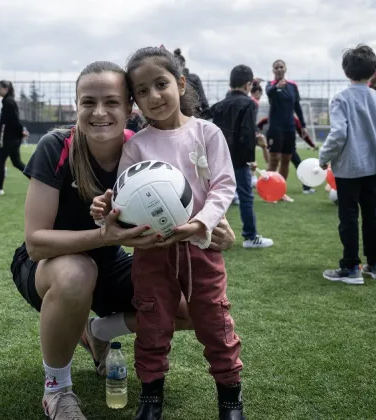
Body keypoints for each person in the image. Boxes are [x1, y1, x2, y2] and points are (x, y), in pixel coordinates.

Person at [10, 61, 236, 420]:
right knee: (77, 273)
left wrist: (216, 227)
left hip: (108, 263)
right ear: (76, 105)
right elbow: (36, 242)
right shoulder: (57, 146)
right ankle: (57, 389)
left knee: (191, 308)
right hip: (48, 266)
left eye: (112, 102)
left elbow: (184, 194)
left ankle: (99, 331)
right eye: (88, 102)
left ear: (130, 107)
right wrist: (104, 235)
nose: (100, 112)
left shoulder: (141, 148)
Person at [92, 47, 245, 420]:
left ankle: (230, 400)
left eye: (161, 84)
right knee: (153, 324)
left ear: (181, 83)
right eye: (142, 91)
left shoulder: (207, 133)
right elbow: (124, 198)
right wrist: (107, 211)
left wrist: (202, 223)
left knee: (215, 322)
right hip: (152, 253)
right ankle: (151, 399)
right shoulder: (136, 145)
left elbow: (224, 186)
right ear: (134, 101)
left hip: (201, 250)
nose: (154, 96)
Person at [319, 44, 376, 285]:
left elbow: (339, 133)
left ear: (346, 71)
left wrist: (324, 156)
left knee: (349, 216)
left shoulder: (341, 99)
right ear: (374, 72)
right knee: (372, 214)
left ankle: (351, 267)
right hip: (374, 166)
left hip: (349, 167)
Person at [212, 65, 274, 249]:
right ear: (248, 85)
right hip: (239, 159)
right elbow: (246, 133)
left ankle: (210, 236)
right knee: (246, 197)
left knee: (216, 198)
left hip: (219, 158)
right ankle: (250, 237)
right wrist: (250, 158)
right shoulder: (248, 103)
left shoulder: (221, 104)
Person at [266, 59, 307, 202]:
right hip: (275, 128)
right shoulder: (270, 85)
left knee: (286, 159)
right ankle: (268, 192)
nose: (279, 69)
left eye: (281, 67)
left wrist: (303, 125)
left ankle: (280, 192)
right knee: (274, 160)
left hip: (289, 128)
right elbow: (269, 93)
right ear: (273, 70)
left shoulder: (292, 86)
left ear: (285, 69)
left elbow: (297, 106)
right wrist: (277, 87)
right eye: (276, 67)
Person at [0, 81, 28, 196]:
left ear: (6, 89)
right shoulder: (8, 101)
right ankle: (38, 179)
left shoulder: (8, 102)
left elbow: (14, 120)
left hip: (9, 138)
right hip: (12, 137)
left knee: (0, 161)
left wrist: (20, 132)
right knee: (16, 162)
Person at [258, 115, 318, 193]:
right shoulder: (293, 119)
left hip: (277, 146)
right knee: (298, 165)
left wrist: (258, 130)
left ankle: (267, 186)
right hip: (288, 147)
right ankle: (306, 188)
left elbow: (262, 122)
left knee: (273, 165)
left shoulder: (275, 116)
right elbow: (303, 134)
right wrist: (312, 145)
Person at [173, 48, 211, 119]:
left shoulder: (169, 81)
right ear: (184, 64)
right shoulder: (194, 78)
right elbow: (203, 101)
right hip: (193, 115)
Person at [250, 78, 270, 165]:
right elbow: (251, 118)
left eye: (261, 93)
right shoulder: (253, 102)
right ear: (254, 93)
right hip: (252, 130)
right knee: (263, 146)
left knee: (263, 146)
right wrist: (255, 131)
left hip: (253, 129)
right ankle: (270, 167)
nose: (260, 96)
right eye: (259, 93)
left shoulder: (253, 101)